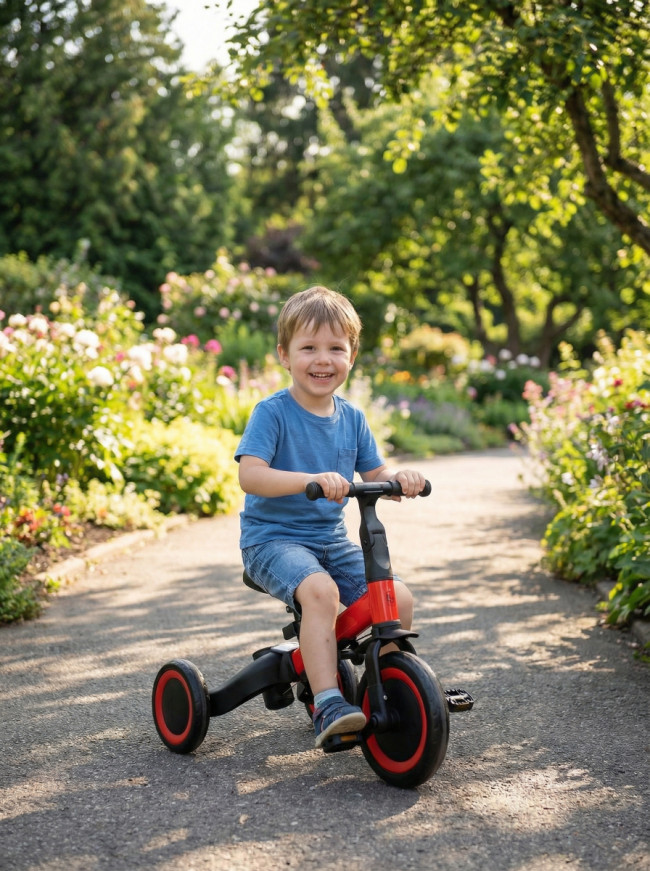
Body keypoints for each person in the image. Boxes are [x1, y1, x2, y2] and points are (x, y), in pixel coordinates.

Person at [235, 285, 426, 749]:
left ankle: (390, 685)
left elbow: (373, 470)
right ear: (284, 354)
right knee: (321, 591)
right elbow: (250, 475)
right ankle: (327, 702)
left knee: (395, 596)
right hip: (271, 541)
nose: (323, 359)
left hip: (329, 539)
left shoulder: (353, 417)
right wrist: (307, 479)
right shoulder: (273, 414)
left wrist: (398, 479)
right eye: (309, 348)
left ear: (352, 356)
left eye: (335, 348)